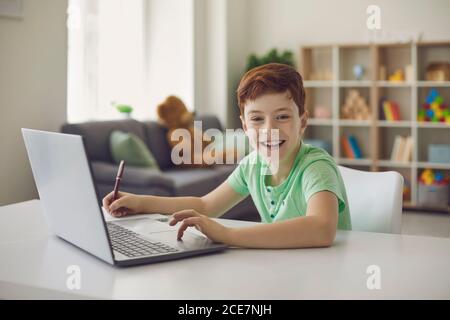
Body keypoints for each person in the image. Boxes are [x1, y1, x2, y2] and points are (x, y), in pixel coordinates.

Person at [103, 63, 351, 249]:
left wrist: (227, 234)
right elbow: (205, 205)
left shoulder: (316, 167)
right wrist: (140, 202)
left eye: (282, 116)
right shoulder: (253, 165)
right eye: (257, 119)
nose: (269, 130)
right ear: (244, 127)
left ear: (303, 121)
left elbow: (321, 229)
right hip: (285, 269)